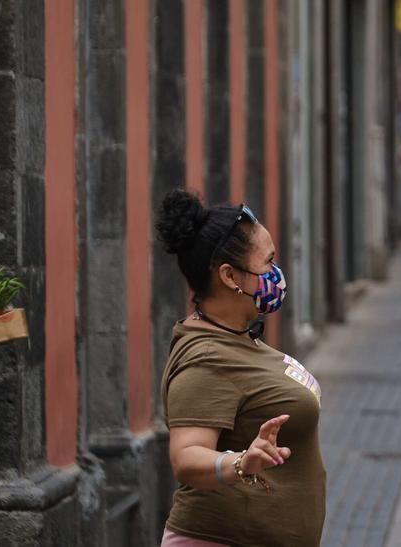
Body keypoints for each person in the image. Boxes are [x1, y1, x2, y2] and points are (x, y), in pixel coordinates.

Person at [156, 189, 325, 546]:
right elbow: (185, 457)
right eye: (268, 263)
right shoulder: (205, 358)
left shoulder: (236, 337)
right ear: (230, 277)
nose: (276, 275)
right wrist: (239, 462)